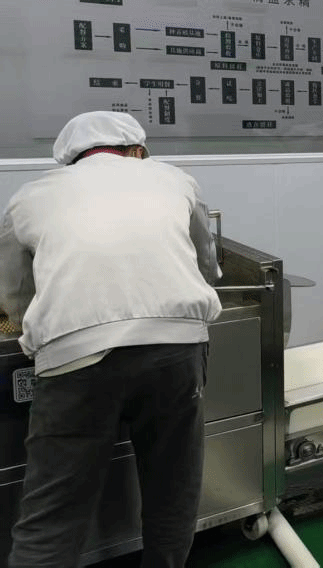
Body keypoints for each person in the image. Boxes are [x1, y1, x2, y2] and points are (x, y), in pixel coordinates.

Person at [0, 112, 222, 567]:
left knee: (52, 514)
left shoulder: (29, 197)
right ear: (136, 151)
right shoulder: (175, 180)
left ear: (71, 160)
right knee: (172, 488)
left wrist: (24, 325)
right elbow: (206, 263)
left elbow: (13, 293)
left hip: (73, 355)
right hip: (175, 346)